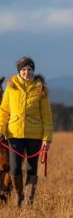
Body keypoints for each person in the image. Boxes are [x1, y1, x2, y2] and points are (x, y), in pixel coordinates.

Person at [0, 56, 52, 207]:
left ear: (33, 71)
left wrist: (46, 139)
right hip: (14, 134)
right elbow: (4, 111)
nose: (26, 72)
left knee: (32, 168)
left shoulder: (40, 88)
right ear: (19, 71)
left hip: (35, 135)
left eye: (29, 69)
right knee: (15, 168)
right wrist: (1, 129)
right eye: (23, 69)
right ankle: (19, 195)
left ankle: (29, 200)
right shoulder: (11, 87)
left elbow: (47, 116)